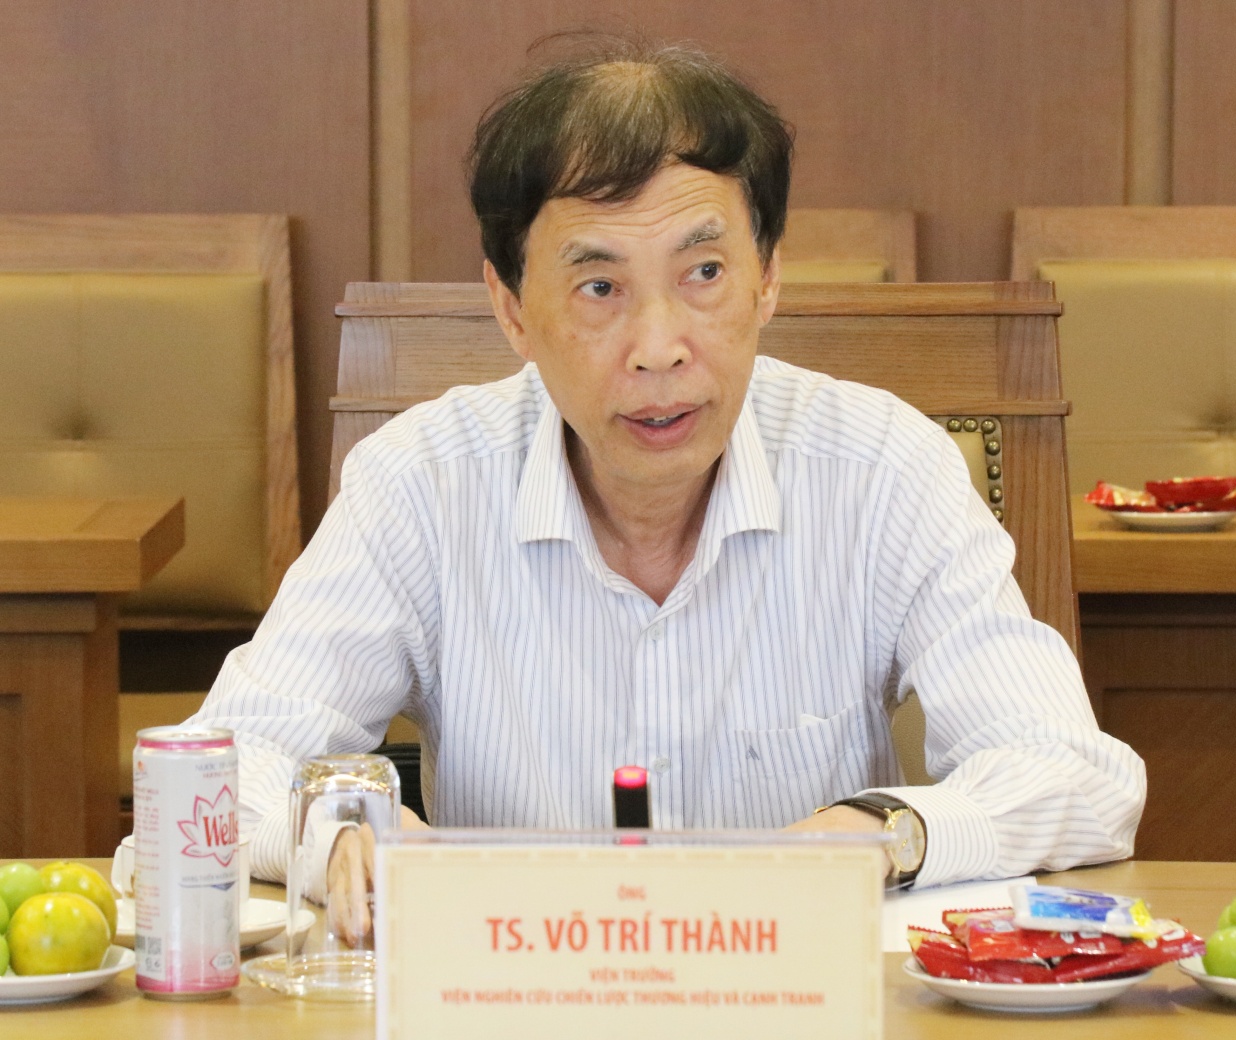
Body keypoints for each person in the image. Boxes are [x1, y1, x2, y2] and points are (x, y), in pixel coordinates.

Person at [189, 39, 1145, 941]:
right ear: (512, 310)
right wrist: (337, 831)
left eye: (705, 272)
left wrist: (881, 833)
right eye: (600, 288)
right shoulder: (421, 483)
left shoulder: (884, 468)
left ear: (767, 280)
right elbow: (217, 773)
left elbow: (1075, 773)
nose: (658, 349)